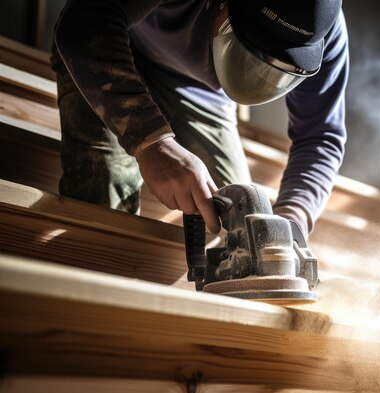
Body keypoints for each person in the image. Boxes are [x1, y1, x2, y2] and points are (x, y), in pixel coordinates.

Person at [51, 0, 349, 238]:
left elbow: (320, 136)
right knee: (106, 186)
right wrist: (151, 142)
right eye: (248, 47)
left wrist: (293, 221)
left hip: (199, 92)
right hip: (112, 49)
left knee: (245, 230)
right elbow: (84, 23)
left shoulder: (323, 33)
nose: (254, 72)